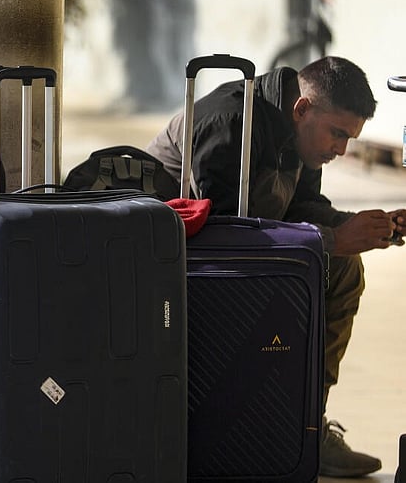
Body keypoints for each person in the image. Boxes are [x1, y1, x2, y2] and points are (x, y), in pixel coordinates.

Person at [146, 55, 404, 478]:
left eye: (349, 139)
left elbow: (302, 208)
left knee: (343, 268)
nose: (341, 149)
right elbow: (221, 238)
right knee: (330, 256)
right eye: (337, 134)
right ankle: (244, 426)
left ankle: (305, 425)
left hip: (243, 253)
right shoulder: (228, 122)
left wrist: (369, 228)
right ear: (302, 109)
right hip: (184, 265)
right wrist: (334, 239)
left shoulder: (303, 135)